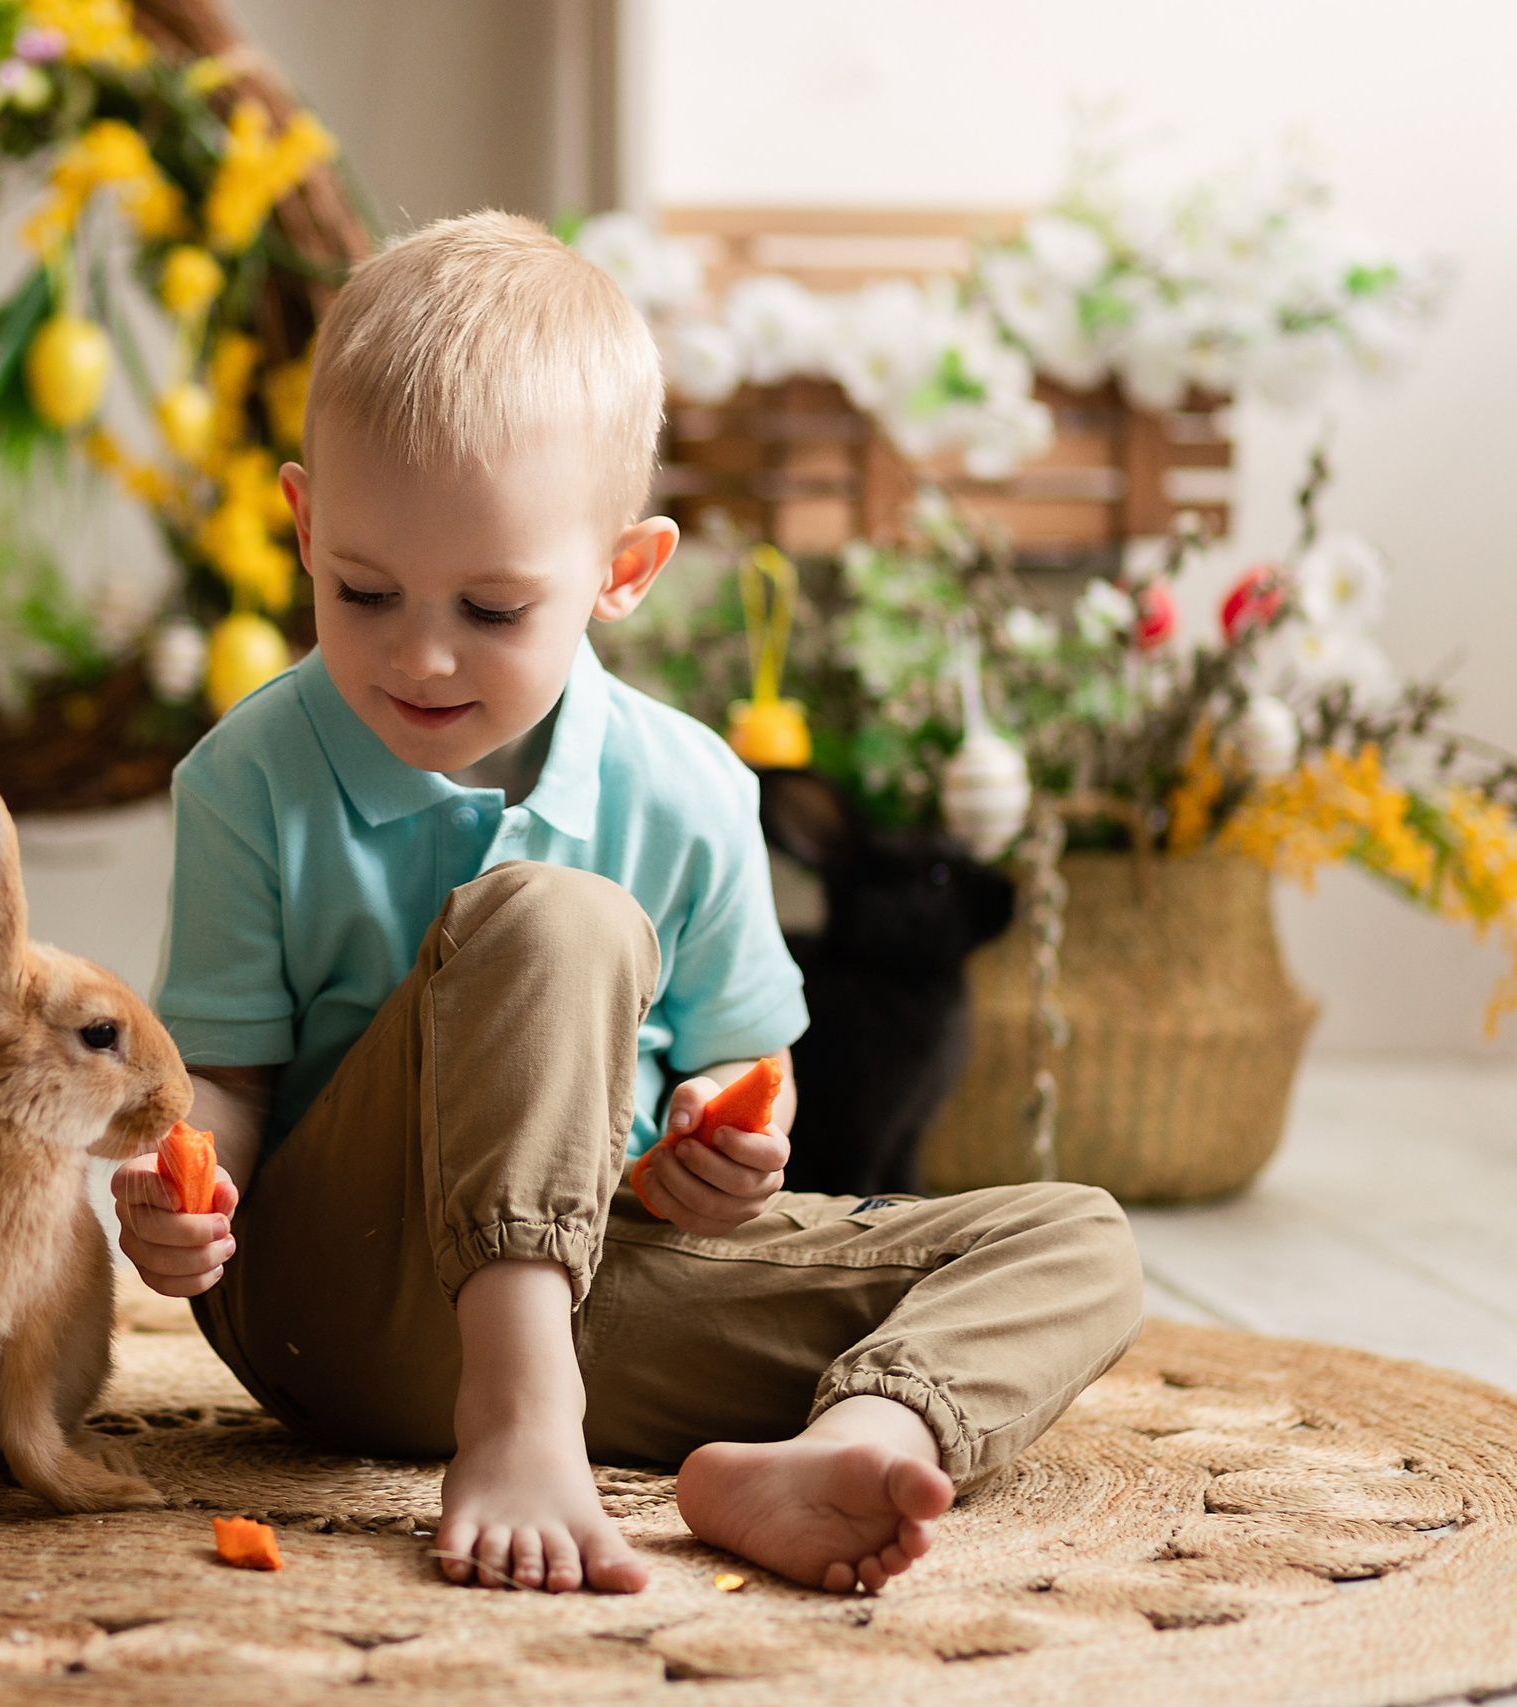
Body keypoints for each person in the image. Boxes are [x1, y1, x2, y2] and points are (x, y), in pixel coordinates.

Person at [112, 211, 1143, 1597]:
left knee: (1075, 1237)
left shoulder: (692, 786)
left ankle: (843, 1444)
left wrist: (730, 1138)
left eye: (490, 609)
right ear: (305, 527)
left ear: (622, 573)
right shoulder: (249, 779)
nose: (418, 653)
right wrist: (195, 1183)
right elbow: (227, 1080)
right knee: (554, 916)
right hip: (338, 1306)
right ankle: (517, 1415)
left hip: (617, 1283)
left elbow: (743, 1062)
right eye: (363, 591)